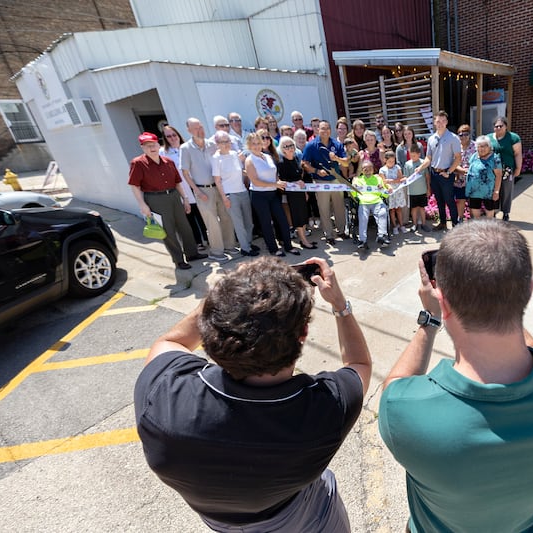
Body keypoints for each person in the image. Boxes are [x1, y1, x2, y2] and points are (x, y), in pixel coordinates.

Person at [379, 219, 533, 533]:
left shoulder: (405, 412)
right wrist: (499, 294)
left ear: (444, 303)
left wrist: (430, 319)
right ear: (529, 289)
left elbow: (394, 387)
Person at [134, 256, 372, 532]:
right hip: (302, 516)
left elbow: (171, 342)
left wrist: (224, 298)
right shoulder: (326, 410)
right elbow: (359, 365)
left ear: (212, 327)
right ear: (303, 333)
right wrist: (340, 306)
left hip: (219, 520)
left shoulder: (163, 397)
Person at [129, 132, 206, 270]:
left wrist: (186, 199)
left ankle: (192, 254)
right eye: (147, 146)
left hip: (173, 195)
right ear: (142, 148)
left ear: (159, 145)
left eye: (153, 144)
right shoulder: (138, 163)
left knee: (185, 227)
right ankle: (178, 260)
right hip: (155, 199)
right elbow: (134, 185)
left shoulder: (168, 161)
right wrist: (142, 205)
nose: (151, 148)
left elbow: (177, 182)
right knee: (168, 231)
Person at [180, 117, 237, 262]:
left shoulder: (212, 144)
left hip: (218, 187)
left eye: (201, 127)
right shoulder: (185, 148)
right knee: (212, 222)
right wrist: (196, 191)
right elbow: (185, 173)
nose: (200, 130)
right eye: (196, 128)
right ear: (189, 131)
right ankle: (217, 252)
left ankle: (229, 245)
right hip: (202, 190)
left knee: (226, 216)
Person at [244, 132, 299, 257]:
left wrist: (278, 182)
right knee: (266, 223)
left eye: (258, 143)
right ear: (249, 145)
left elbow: (274, 175)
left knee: (282, 220)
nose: (257, 146)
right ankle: (273, 249)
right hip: (259, 195)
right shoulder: (249, 160)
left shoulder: (268, 156)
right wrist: (275, 184)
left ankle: (288, 246)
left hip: (273, 194)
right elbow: (255, 181)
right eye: (253, 144)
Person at [301, 120, 349, 246]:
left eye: (327, 128)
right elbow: (304, 164)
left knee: (339, 207)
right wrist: (316, 170)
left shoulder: (336, 144)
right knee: (324, 209)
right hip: (320, 181)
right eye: (322, 128)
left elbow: (346, 162)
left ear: (330, 130)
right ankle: (328, 234)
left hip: (336, 180)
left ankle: (341, 231)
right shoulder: (311, 145)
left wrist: (336, 158)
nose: (325, 131)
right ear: (318, 130)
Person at [160, 124, 207, 251]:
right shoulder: (163, 153)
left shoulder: (187, 147)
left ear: (178, 135)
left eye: (174, 135)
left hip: (195, 184)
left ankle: (207, 238)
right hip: (181, 188)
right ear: (165, 138)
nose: (172, 138)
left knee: (201, 213)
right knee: (189, 216)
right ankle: (198, 241)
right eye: (168, 136)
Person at [212, 131, 258, 257]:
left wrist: (253, 175)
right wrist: (224, 198)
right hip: (230, 194)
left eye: (228, 141)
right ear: (217, 144)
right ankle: (245, 248)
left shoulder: (234, 154)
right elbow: (217, 180)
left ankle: (248, 243)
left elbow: (240, 172)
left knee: (249, 221)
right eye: (223, 142)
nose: (226, 144)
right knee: (239, 223)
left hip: (242, 191)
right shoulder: (216, 158)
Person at [417, 110, 461, 230]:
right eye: (438, 121)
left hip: (446, 174)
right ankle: (442, 223)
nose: (440, 123)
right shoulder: (431, 139)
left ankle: (455, 225)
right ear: (434, 123)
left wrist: (448, 172)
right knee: (439, 200)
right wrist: (420, 167)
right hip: (434, 174)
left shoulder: (453, 138)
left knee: (449, 201)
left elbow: (458, 158)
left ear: (446, 122)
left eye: (443, 121)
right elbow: (428, 158)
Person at [276, 135, 317, 250]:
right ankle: (303, 240)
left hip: (300, 193)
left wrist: (304, 191)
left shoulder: (295, 159)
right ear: (282, 149)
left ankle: (304, 239)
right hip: (292, 195)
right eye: (286, 146)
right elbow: (283, 180)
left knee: (304, 216)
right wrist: (296, 182)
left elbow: (300, 178)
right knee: (298, 218)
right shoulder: (281, 162)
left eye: (291, 145)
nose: (290, 148)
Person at [351, 160, 390, 250]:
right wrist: (354, 188)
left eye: (369, 168)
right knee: (363, 218)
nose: (367, 170)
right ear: (362, 170)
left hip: (377, 201)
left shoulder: (378, 179)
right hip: (364, 202)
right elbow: (353, 195)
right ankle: (362, 240)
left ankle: (382, 236)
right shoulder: (357, 180)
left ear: (373, 169)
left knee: (383, 212)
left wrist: (382, 189)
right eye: (365, 169)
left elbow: (385, 195)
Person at [489, 116, 522, 222]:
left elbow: (517, 154)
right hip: (492, 169)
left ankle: (506, 213)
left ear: (506, 126)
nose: (498, 128)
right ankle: (493, 212)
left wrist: (518, 168)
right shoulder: (488, 138)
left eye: (501, 126)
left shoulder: (513, 138)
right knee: (493, 190)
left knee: (506, 190)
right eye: (496, 126)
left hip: (507, 169)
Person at [465, 135, 502, 219]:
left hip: (488, 191)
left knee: (489, 211)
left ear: (489, 146)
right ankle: (478, 228)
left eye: (485, 146)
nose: (482, 148)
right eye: (479, 146)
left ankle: (489, 228)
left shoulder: (495, 159)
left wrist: (496, 191)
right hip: (474, 190)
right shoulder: (474, 156)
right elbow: (470, 168)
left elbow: (499, 176)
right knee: (475, 210)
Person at [380, 150, 409, 235]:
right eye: (389, 161)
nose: (392, 163)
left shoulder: (397, 167)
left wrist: (391, 180)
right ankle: (395, 226)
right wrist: (391, 182)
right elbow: (383, 181)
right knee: (392, 210)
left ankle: (401, 225)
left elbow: (400, 179)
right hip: (389, 192)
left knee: (399, 209)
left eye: (393, 161)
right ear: (385, 160)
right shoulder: (382, 170)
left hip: (398, 191)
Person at [404, 144, 431, 232]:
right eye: (411, 155)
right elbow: (406, 177)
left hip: (422, 190)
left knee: (422, 208)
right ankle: (414, 224)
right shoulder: (407, 164)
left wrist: (428, 188)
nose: (413, 157)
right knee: (414, 208)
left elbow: (427, 176)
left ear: (419, 154)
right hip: (412, 191)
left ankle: (423, 224)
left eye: (414, 155)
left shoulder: (423, 163)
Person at [453, 124, 476, 221]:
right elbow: (453, 162)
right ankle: (460, 219)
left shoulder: (475, 146)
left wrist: (470, 170)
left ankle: (473, 221)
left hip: (473, 177)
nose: (463, 136)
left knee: (473, 200)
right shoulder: (456, 147)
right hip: (459, 177)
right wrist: (462, 170)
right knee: (460, 199)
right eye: (460, 134)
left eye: (465, 134)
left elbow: (479, 161)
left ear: (469, 135)